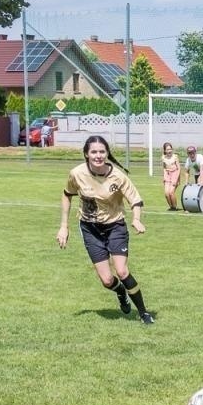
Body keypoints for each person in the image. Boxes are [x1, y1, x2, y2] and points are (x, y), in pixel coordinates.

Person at [57, 135, 153, 325]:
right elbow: (67, 195)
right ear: (86, 154)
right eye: (94, 152)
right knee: (108, 280)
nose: (98, 155)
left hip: (115, 226)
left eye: (102, 151)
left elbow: (135, 200)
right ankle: (120, 292)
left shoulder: (117, 176)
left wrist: (136, 219)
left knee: (122, 271)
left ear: (107, 153)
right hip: (90, 228)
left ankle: (143, 313)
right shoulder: (77, 173)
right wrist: (63, 227)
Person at [161, 143, 183, 210]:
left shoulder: (175, 157)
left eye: (170, 149)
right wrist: (164, 176)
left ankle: (175, 207)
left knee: (171, 192)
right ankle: (171, 207)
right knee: (166, 193)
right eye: (168, 149)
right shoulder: (163, 157)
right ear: (165, 150)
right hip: (167, 175)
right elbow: (164, 168)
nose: (169, 150)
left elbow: (179, 168)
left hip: (174, 174)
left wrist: (177, 179)